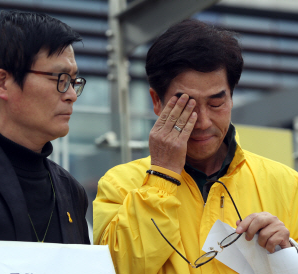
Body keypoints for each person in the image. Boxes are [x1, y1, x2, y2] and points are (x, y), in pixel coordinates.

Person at [93, 19, 298, 274]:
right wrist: (162, 175)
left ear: (232, 97)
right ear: (157, 101)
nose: (202, 122)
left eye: (215, 104)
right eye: (185, 106)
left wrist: (287, 254)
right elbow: (117, 268)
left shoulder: (288, 185)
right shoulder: (118, 185)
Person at [0, 10, 90, 274]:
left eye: (74, 81)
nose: (72, 94)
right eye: (59, 79)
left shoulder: (71, 189)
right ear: (3, 83)